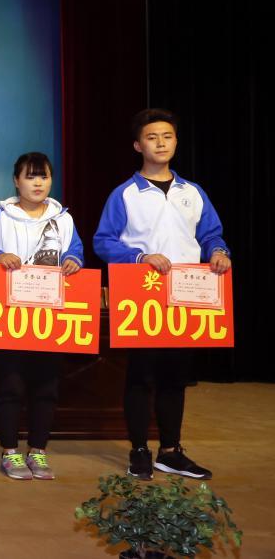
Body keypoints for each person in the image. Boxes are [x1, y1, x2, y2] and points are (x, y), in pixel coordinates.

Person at [94, 108, 230, 481]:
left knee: (176, 375)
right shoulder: (125, 194)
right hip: (142, 293)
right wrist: (139, 257)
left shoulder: (193, 192)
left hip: (187, 292)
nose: (160, 143)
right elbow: (103, 241)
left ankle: (171, 451)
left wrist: (219, 252)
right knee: (141, 374)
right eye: (152, 137)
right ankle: (139, 450)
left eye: (167, 136)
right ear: (138, 145)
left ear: (176, 142)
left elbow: (211, 234)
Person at [0, 151, 83, 480]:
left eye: (44, 176)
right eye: (30, 176)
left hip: (50, 317)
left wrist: (74, 261)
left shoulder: (63, 219)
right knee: (10, 385)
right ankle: (10, 452)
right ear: (16, 181)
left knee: (46, 387)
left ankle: (38, 450)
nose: (38, 183)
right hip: (9, 316)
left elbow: (76, 250)